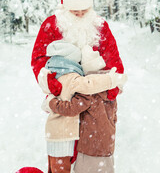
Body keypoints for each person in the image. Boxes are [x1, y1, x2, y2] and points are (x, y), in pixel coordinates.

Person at [31, 0, 124, 171]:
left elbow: (114, 60)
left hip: (97, 103)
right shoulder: (51, 25)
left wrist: (111, 89)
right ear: (65, 8)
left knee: (94, 157)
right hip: (64, 99)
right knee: (62, 154)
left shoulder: (100, 26)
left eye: (85, 10)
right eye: (75, 12)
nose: (81, 14)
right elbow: (39, 58)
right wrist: (50, 81)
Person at [42, 40, 127, 173]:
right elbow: (114, 115)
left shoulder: (58, 79)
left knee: (56, 167)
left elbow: (72, 107)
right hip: (105, 143)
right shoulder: (109, 91)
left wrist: (50, 102)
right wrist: (113, 80)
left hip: (84, 141)